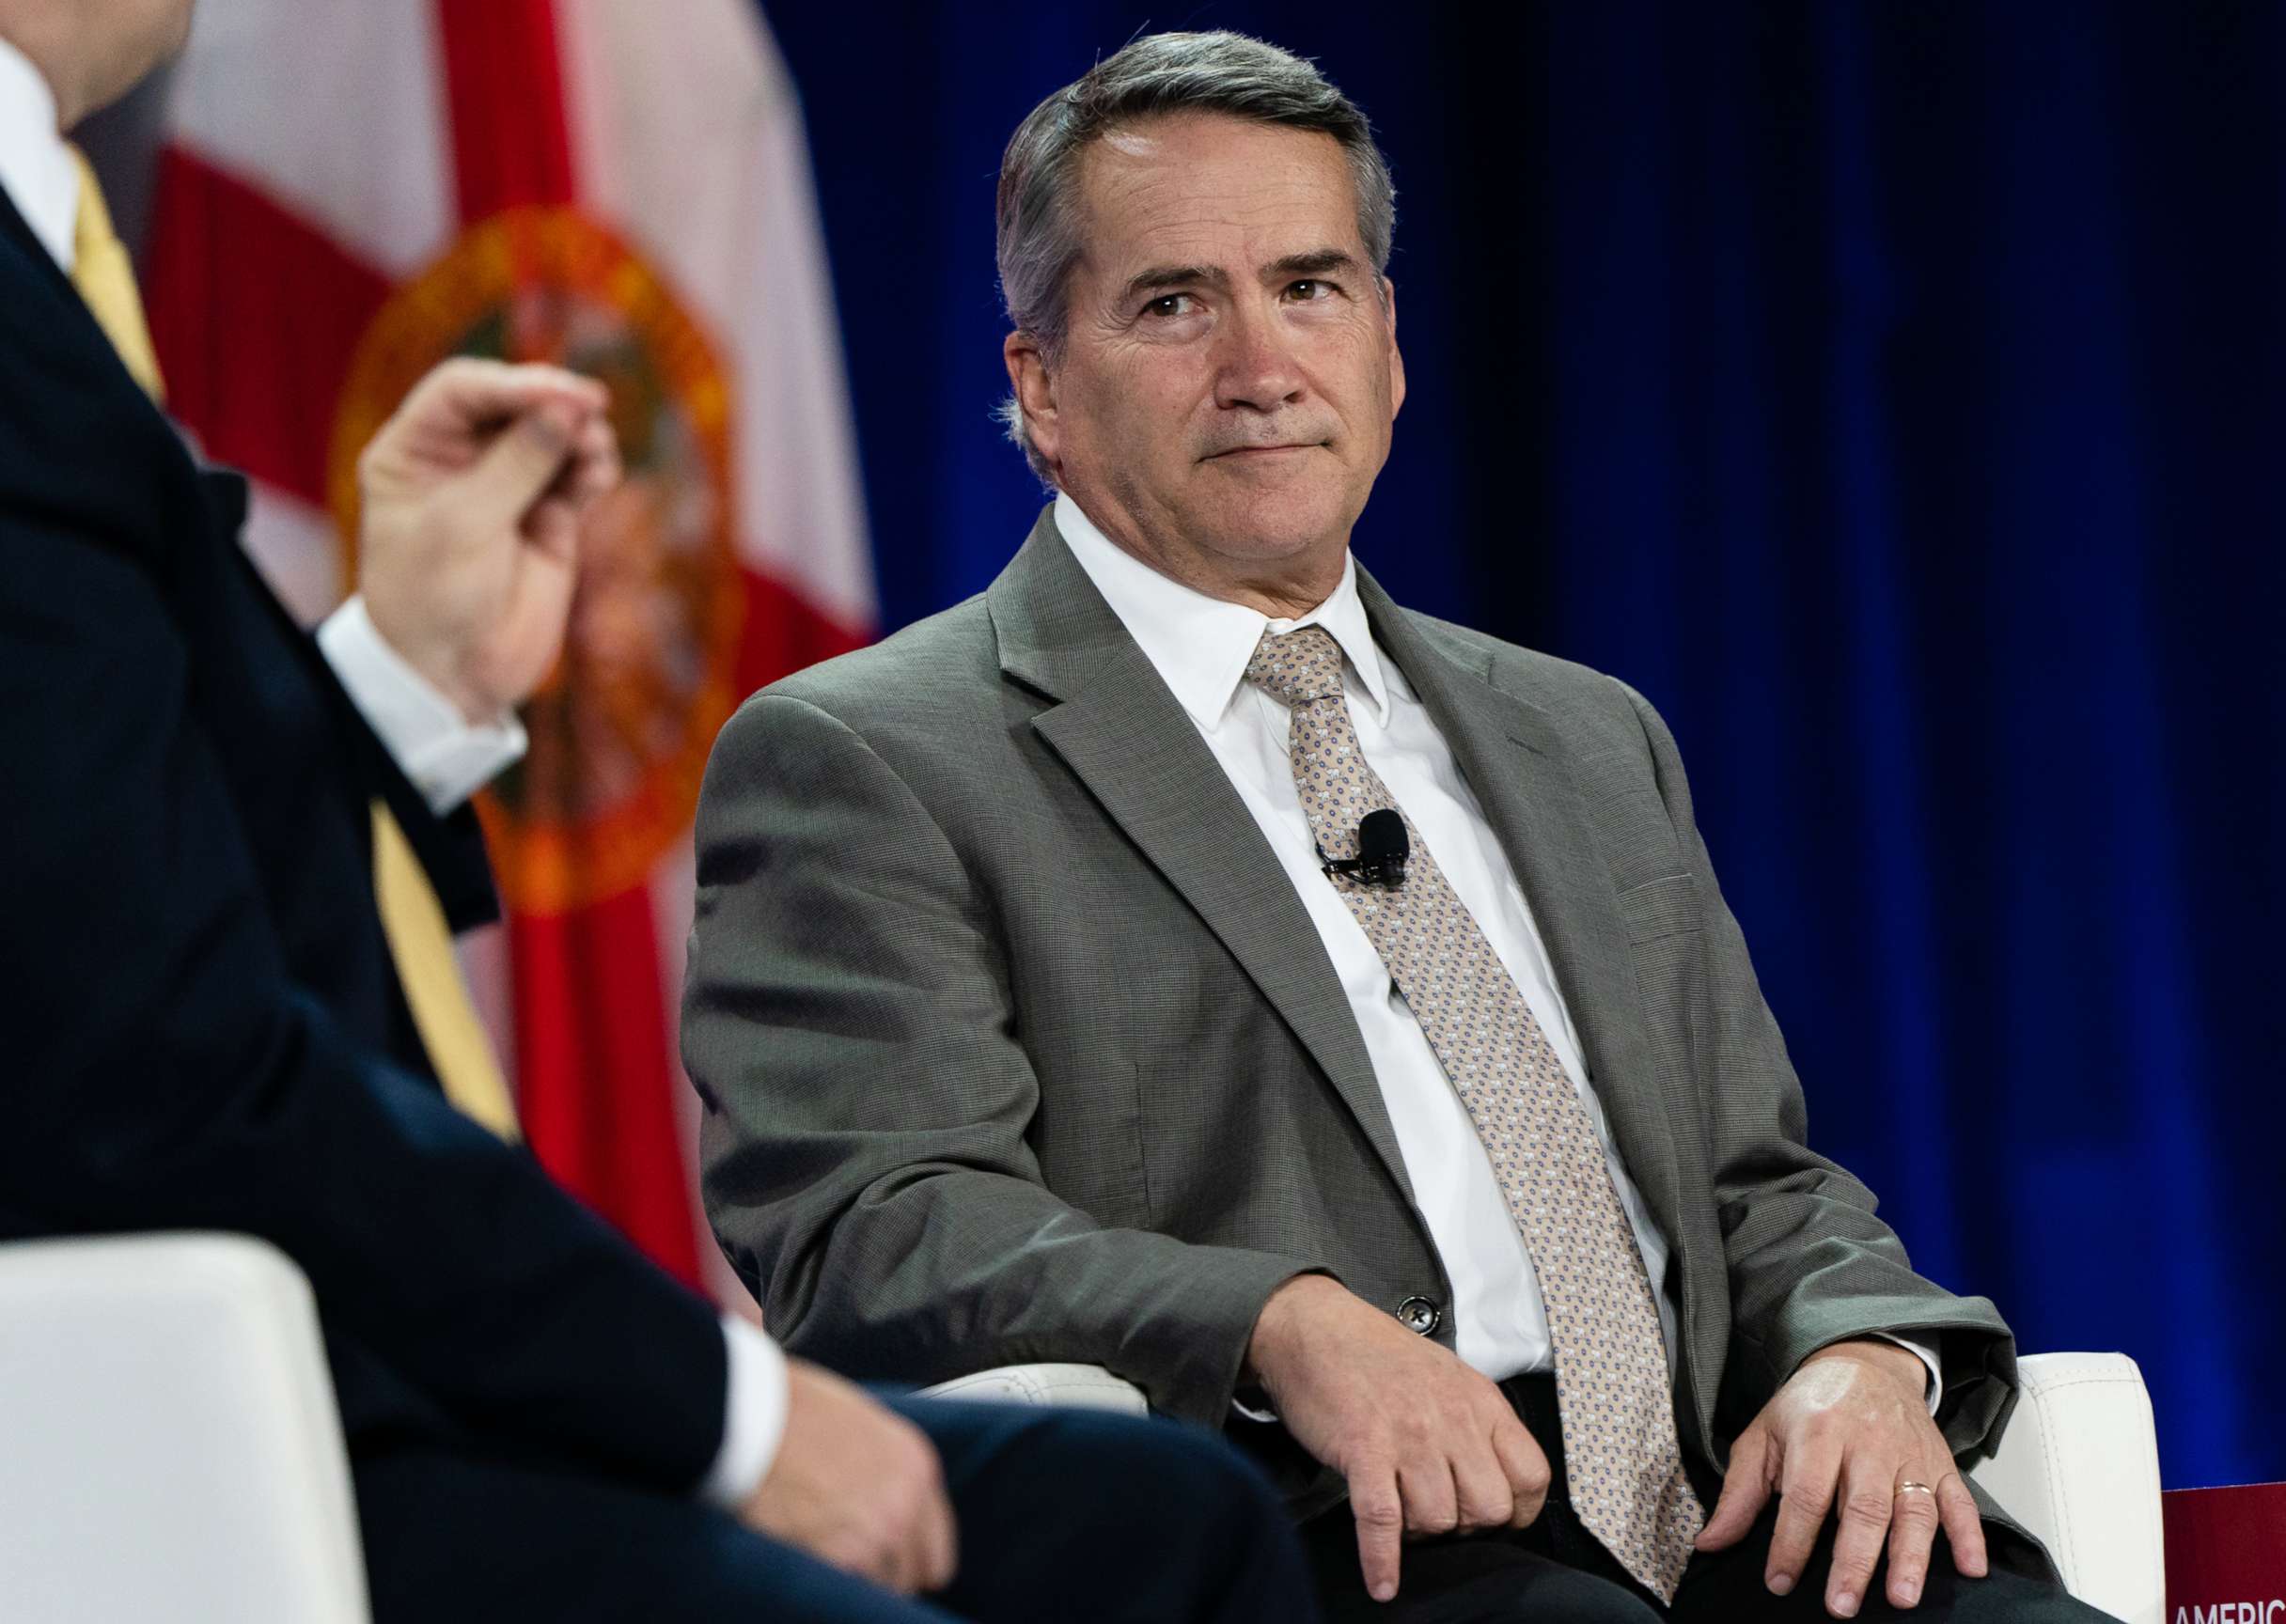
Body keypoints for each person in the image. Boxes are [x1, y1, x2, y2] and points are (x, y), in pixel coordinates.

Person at [683, 29, 2114, 1624]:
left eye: (1312, 287)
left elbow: (1754, 1183)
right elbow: (875, 1230)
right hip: (1312, 1528)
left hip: (1726, 1513)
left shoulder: (1581, 732)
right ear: (1042, 388)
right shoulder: (870, 755)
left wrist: (1864, 1348)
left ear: (1387, 347)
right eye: (1173, 304)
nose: (1262, 365)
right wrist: (1276, 1319)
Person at [0, 4, 1322, 1620]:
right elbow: (153, 1063)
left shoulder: (42, 269)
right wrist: (729, 1411)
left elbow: (107, 894)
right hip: (192, 1429)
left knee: (1163, 1530)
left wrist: (400, 693)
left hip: (277, 1366)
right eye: (1179, 302)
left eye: (1314, 289)